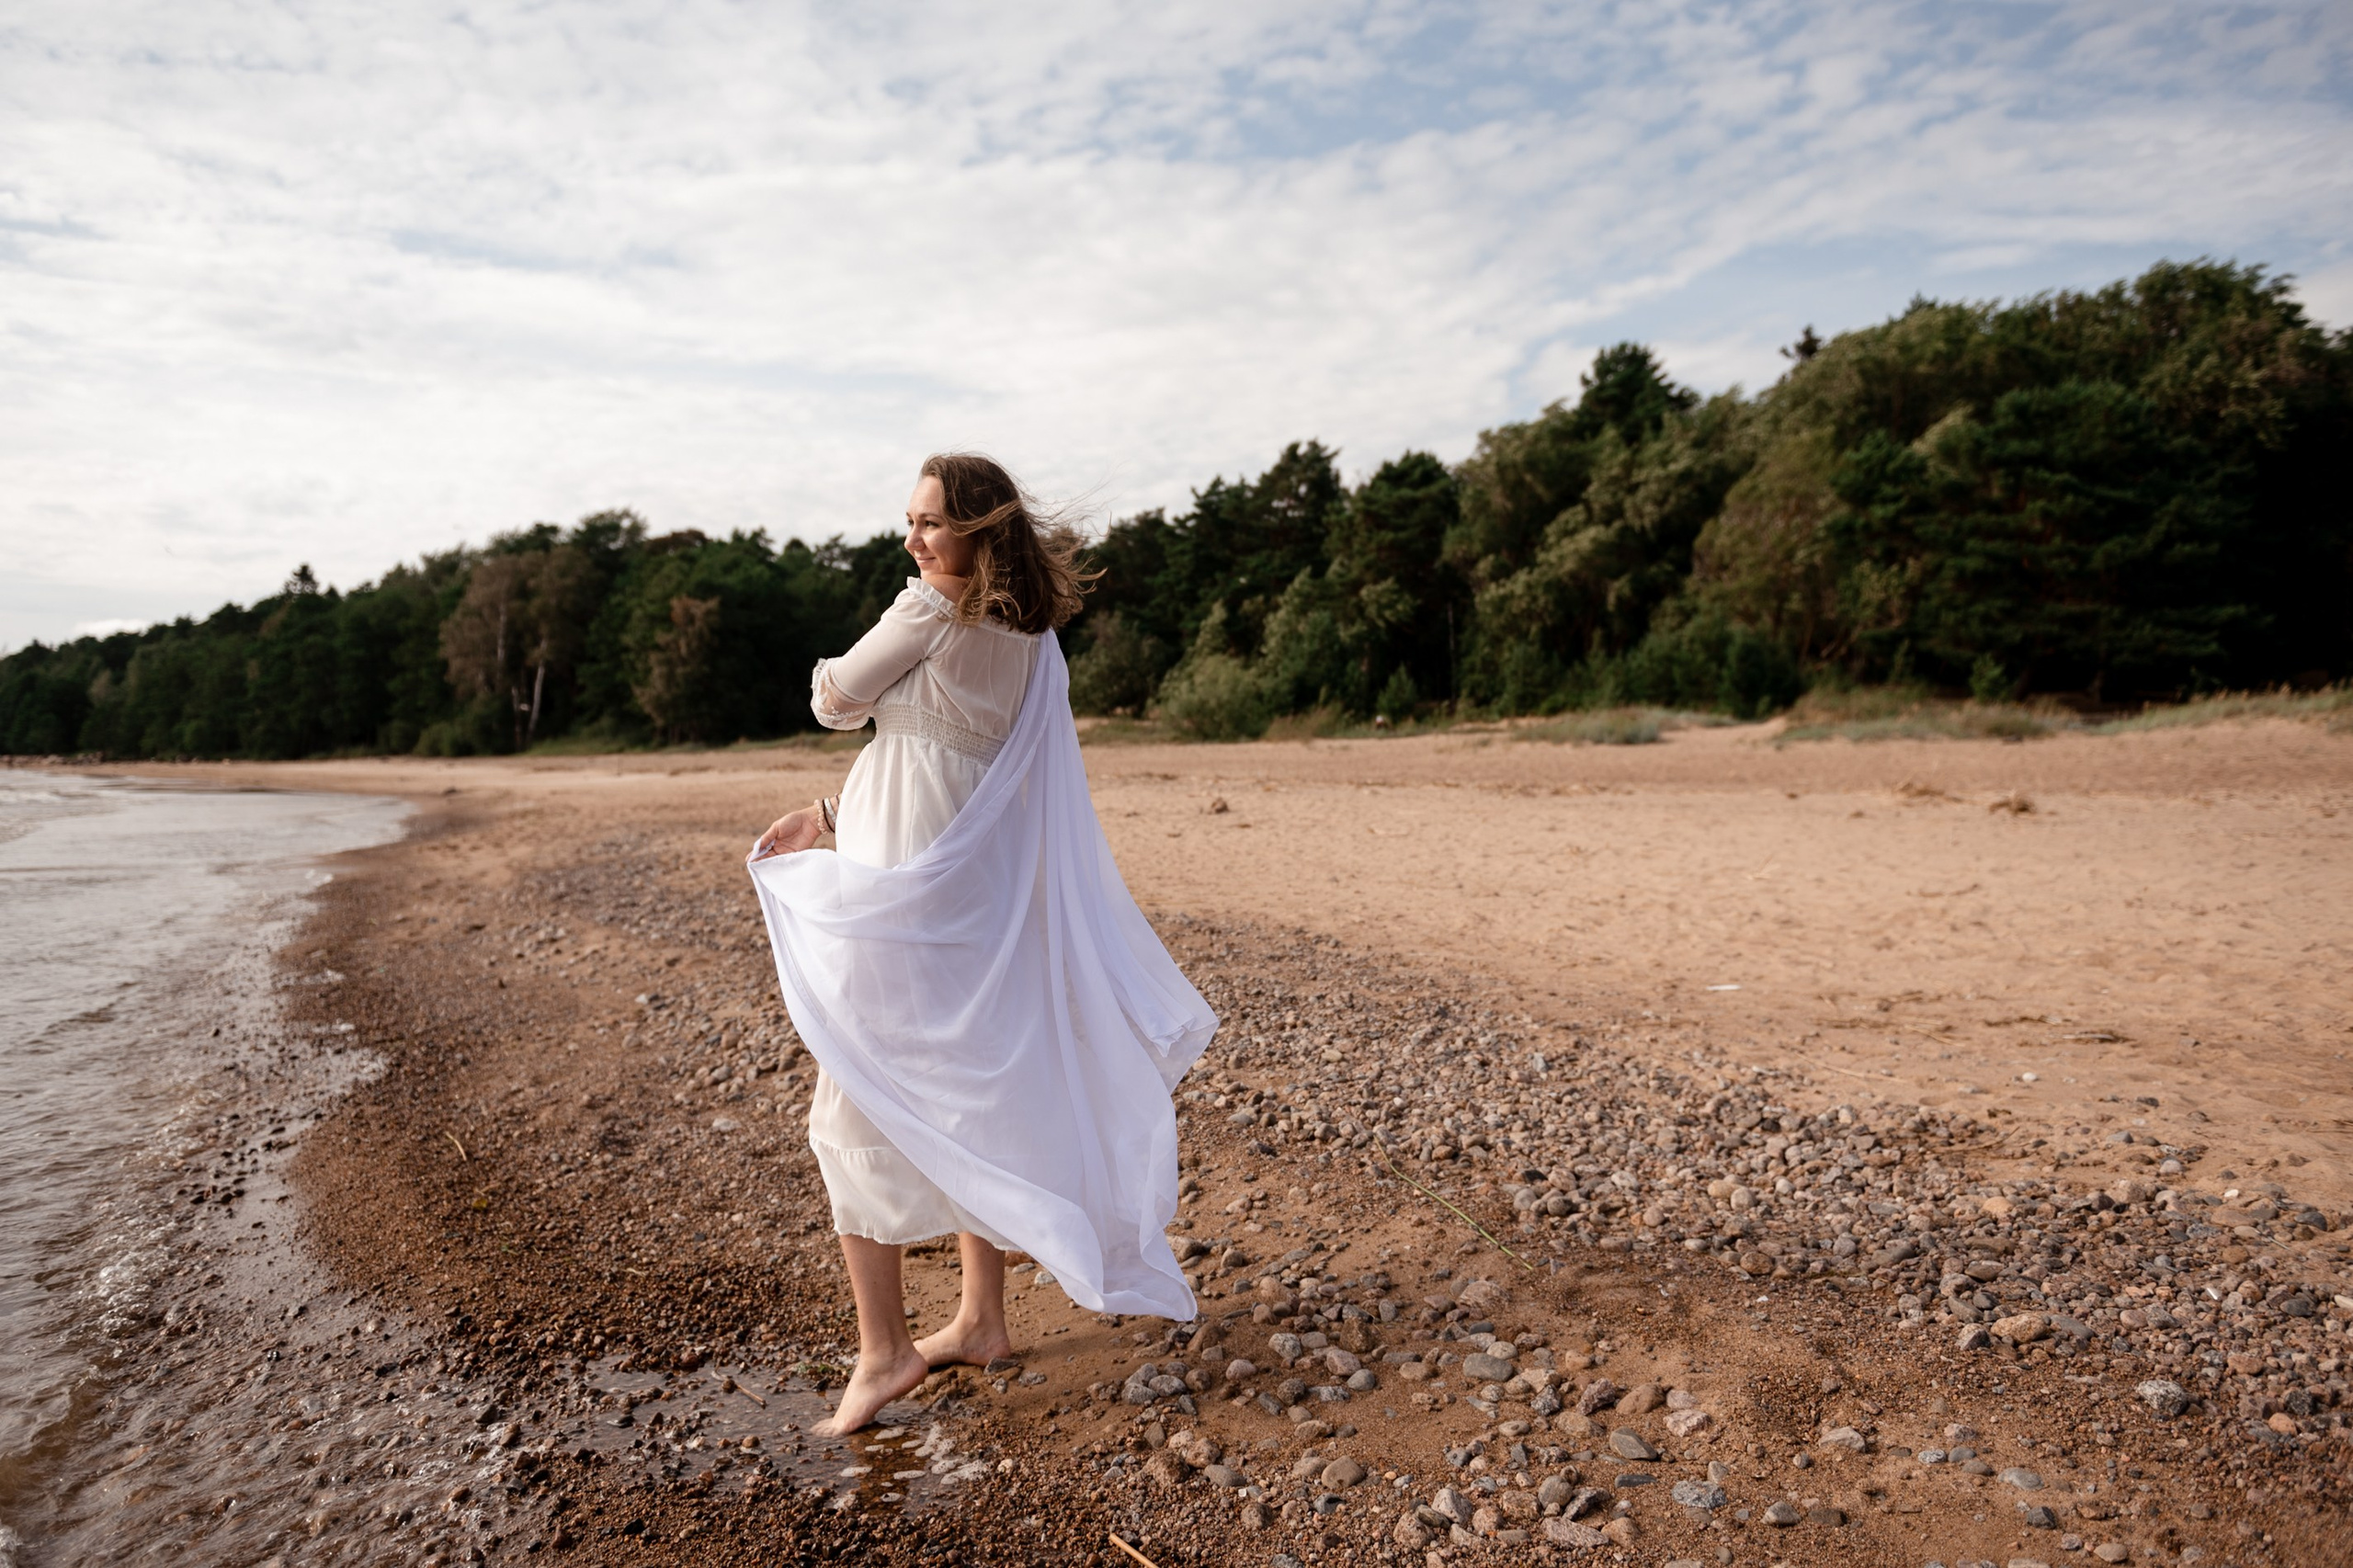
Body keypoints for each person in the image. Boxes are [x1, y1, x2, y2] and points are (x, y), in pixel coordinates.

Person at [747, 454, 1216, 1437]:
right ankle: (981, 1317)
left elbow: (835, 699)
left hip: (905, 895)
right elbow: (950, 765)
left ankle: (882, 1352)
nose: (913, 542)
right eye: (908, 522)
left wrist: (901, 615)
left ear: (978, 533)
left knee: (853, 1095)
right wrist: (827, 813)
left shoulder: (927, 612)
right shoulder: (1034, 644)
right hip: (967, 893)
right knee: (959, 1086)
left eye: (930, 525)